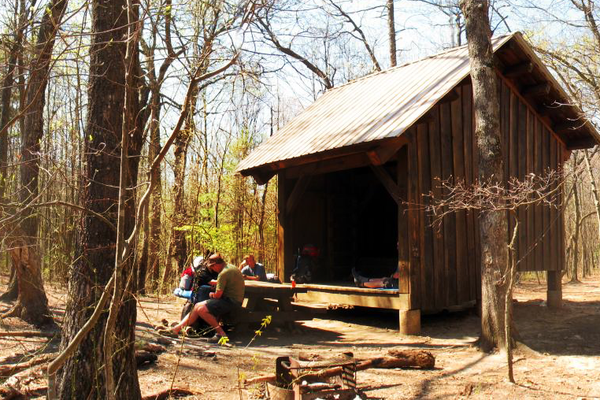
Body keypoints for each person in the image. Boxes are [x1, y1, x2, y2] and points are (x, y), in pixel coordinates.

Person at [162, 252, 245, 343]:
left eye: (212, 267)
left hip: (230, 302)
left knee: (202, 309)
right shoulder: (232, 268)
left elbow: (218, 295)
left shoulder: (223, 274)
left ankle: (221, 334)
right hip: (235, 300)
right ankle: (176, 329)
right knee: (198, 306)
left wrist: (211, 295)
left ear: (217, 264)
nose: (213, 269)